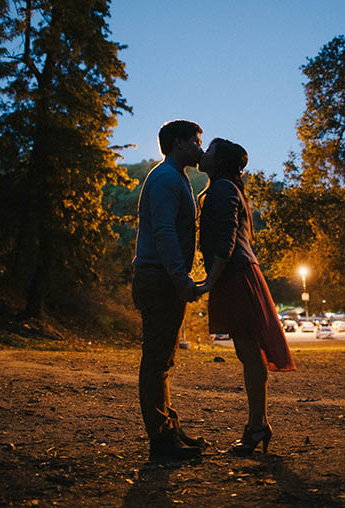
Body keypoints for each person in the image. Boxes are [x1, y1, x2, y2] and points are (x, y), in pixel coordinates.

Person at [196, 138, 296, 456]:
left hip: (237, 274)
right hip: (235, 273)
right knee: (247, 352)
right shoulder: (224, 187)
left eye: (209, 150)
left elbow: (226, 239)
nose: (203, 153)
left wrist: (209, 279)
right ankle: (258, 424)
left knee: (249, 352)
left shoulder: (224, 188)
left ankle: (257, 426)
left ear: (221, 160)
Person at [132, 119, 206, 461]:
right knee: (157, 360)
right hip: (158, 278)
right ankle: (161, 441)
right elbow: (163, 233)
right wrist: (180, 278)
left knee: (164, 360)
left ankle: (169, 429)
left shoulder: (176, 177)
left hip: (162, 277)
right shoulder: (165, 179)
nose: (200, 148)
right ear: (178, 143)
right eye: (195, 141)